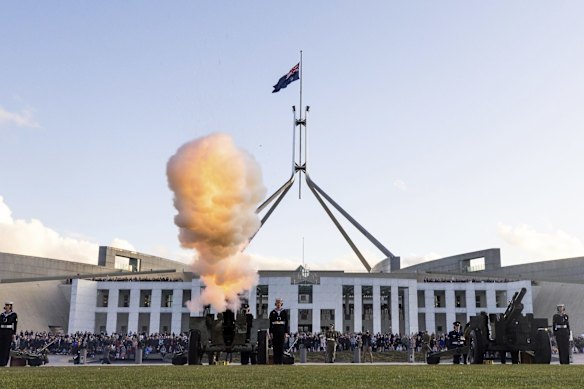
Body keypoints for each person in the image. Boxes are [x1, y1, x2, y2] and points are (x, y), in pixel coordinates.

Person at [269, 298, 289, 364]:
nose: (278, 304)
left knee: (281, 346)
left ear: (281, 303)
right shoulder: (272, 312)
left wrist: (286, 332)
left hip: (282, 330)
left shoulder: (284, 312)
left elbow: (286, 323)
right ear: (275, 303)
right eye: (277, 303)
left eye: (279, 302)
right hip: (275, 330)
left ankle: (280, 361)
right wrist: (270, 332)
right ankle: (276, 361)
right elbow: (270, 323)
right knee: (275, 346)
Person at [0, 301, 18, 367]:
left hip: (8, 331)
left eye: (8, 305)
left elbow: (15, 325)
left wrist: (14, 334)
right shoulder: (2, 315)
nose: (6, 306)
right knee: (1, 347)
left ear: (10, 306)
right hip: (1, 331)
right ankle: (0, 361)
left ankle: (4, 362)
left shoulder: (13, 315)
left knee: (6, 347)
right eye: (6, 305)